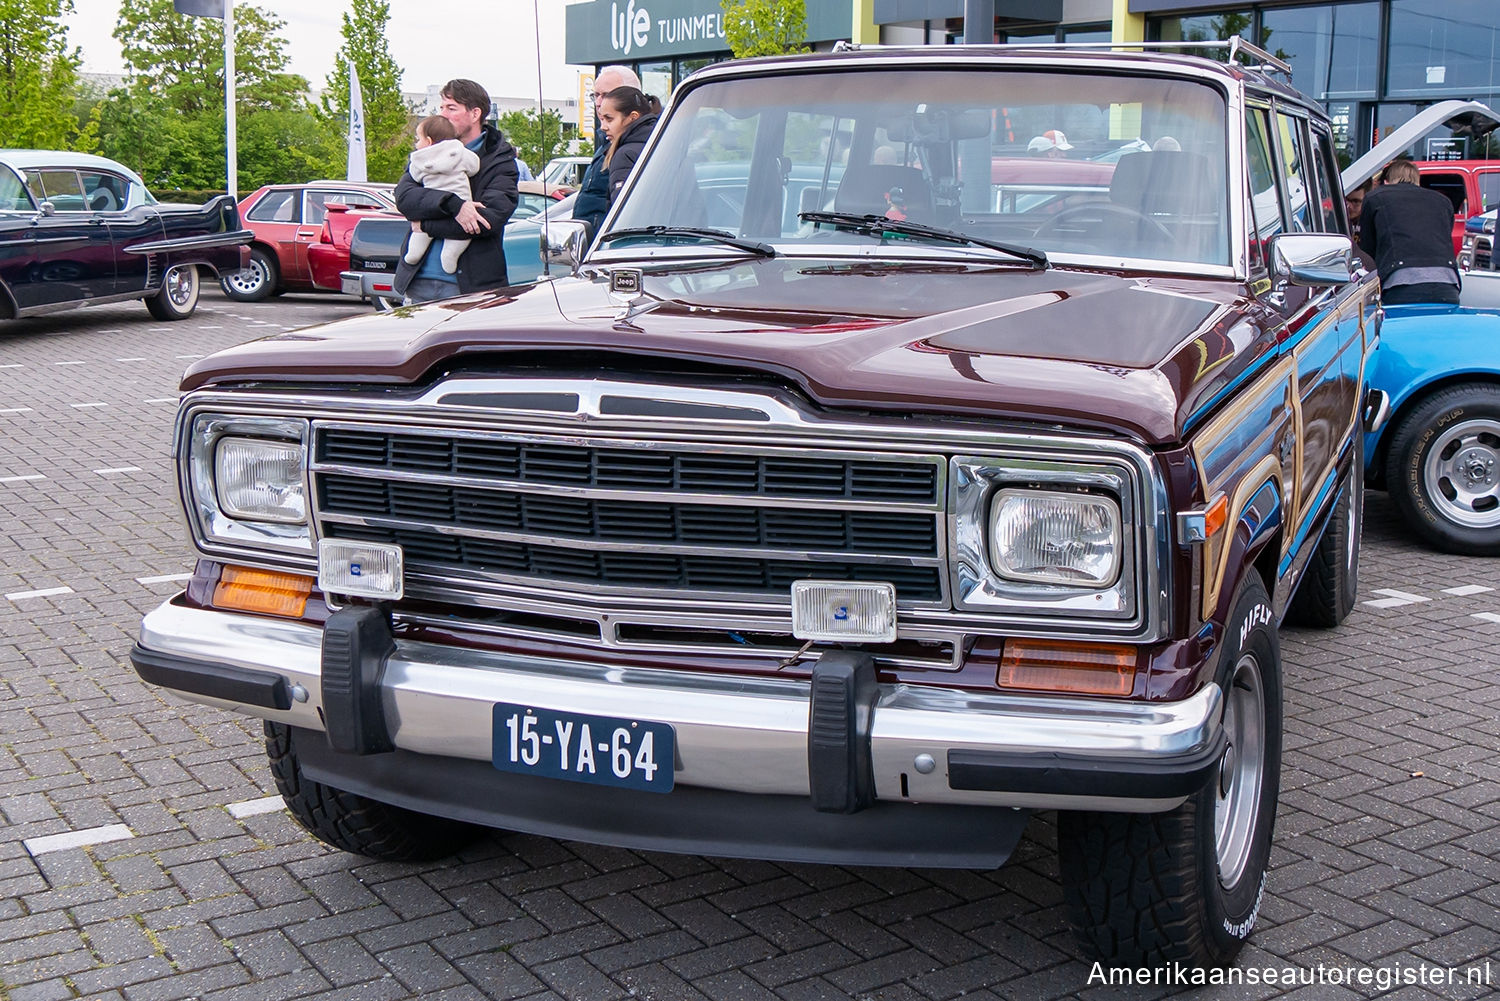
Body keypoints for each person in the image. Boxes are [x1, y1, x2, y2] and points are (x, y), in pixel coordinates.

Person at [394, 78, 519, 305]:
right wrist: (454, 205)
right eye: (441, 107)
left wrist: (424, 225)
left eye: (451, 108)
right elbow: (404, 198)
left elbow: (488, 219)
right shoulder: (427, 152)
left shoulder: (499, 160)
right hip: (417, 282)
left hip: (470, 289)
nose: (443, 115)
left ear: (475, 114)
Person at [1358, 160, 1460, 305]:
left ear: (1387, 181)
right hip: (1448, 282)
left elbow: (1367, 250)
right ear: (1417, 180)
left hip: (1400, 283)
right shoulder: (1443, 201)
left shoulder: (1376, 198)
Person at [401, 115, 481, 275]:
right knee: (460, 236)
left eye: (418, 139)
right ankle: (449, 257)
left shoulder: (418, 161)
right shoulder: (461, 153)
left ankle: (414, 254)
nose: (417, 143)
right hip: (462, 208)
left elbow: (414, 177)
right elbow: (474, 167)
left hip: (431, 211)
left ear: (429, 141)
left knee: (420, 233)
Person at [573, 65, 642, 233]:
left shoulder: (630, 149)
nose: (598, 102)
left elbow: (627, 213)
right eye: (596, 95)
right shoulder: (609, 142)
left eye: (607, 95)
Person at [598, 87, 659, 208]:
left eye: (609, 119)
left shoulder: (625, 154)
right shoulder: (666, 144)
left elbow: (624, 211)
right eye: (601, 119)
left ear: (633, 117)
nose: (603, 127)